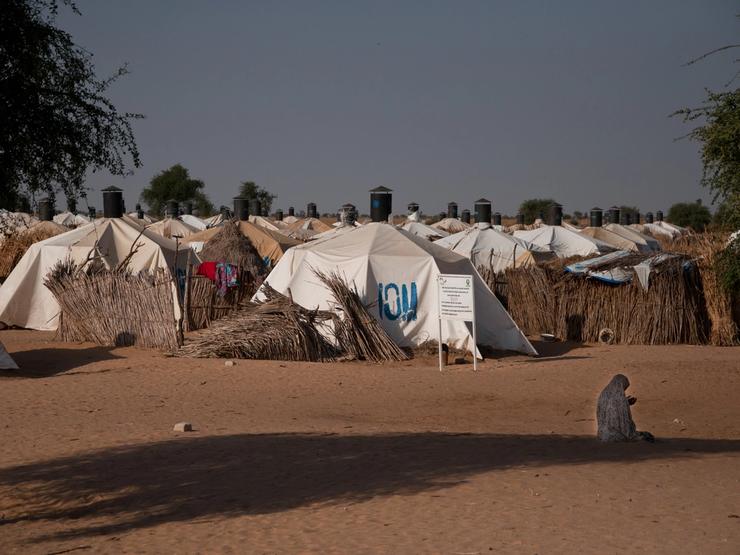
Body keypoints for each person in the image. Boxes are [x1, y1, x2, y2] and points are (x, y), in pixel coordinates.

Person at [596, 374, 654, 442]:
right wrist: (626, 403)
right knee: (643, 436)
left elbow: (612, 407)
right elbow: (621, 419)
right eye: (624, 387)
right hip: (614, 433)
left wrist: (626, 402)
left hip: (602, 432)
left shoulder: (604, 393)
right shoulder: (619, 397)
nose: (623, 390)